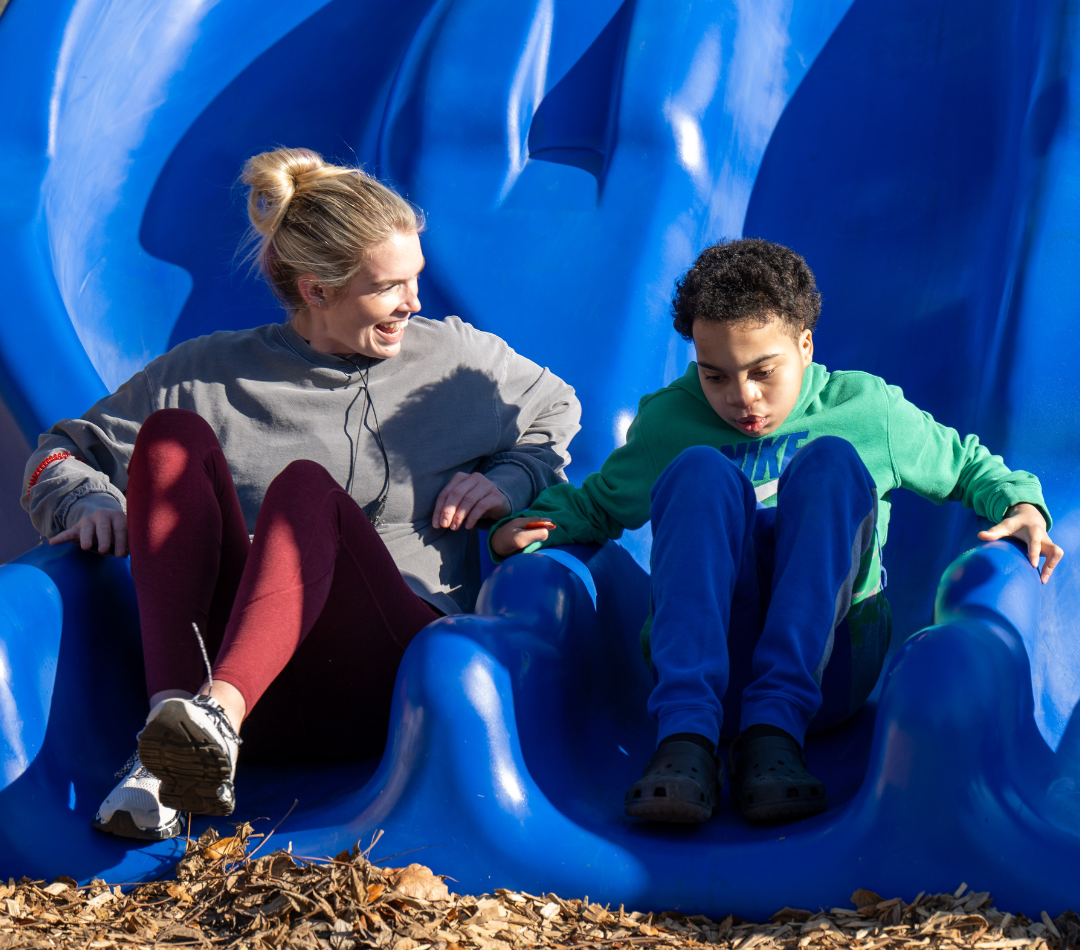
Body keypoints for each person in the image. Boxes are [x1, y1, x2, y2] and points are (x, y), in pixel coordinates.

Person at [23, 147, 580, 841]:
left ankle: (209, 724)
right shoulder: (211, 372)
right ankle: (170, 751)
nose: (413, 302)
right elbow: (59, 452)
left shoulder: (455, 362)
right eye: (389, 288)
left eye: (416, 279)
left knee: (305, 491)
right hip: (255, 685)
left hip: (388, 676)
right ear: (316, 290)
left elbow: (557, 411)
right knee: (168, 438)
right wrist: (87, 501)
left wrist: (508, 479)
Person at [490, 238, 1063, 826]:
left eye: (763, 372)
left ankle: (775, 730)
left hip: (829, 672)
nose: (743, 398)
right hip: (705, 677)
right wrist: (525, 528)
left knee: (833, 464)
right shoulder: (671, 419)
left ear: (805, 345)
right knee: (697, 470)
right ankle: (685, 742)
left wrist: (1020, 502)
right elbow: (597, 506)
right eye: (716, 376)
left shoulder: (866, 408)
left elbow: (965, 462)